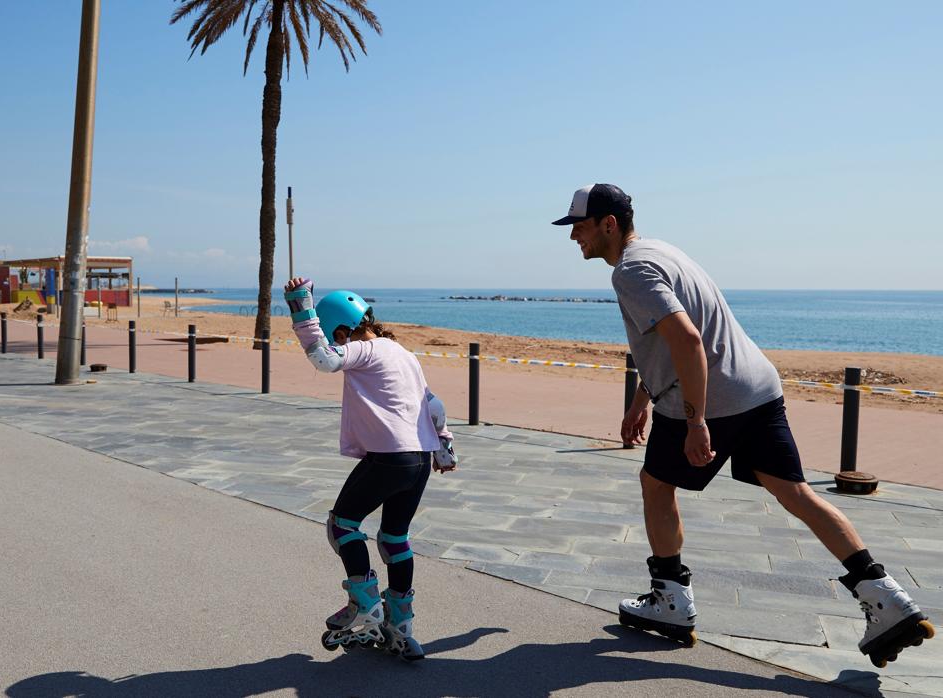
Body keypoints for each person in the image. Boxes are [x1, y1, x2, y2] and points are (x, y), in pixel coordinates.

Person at [552, 183, 933, 667]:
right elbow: (678, 340)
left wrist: (695, 423)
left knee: (655, 484)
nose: (573, 238)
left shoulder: (630, 270)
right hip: (757, 386)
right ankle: (887, 598)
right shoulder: (664, 251)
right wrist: (640, 398)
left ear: (609, 223)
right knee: (796, 493)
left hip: (711, 399)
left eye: (579, 227)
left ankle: (670, 600)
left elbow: (689, 342)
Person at [284, 277, 457, 661]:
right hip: (419, 459)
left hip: (388, 456)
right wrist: (444, 446)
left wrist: (300, 307)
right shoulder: (402, 352)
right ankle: (402, 624)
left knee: (342, 525)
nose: (336, 344)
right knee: (395, 538)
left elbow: (324, 359)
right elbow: (433, 403)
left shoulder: (364, 349)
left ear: (343, 331)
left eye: (335, 336)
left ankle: (365, 603)